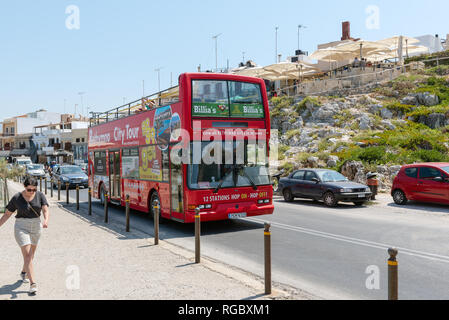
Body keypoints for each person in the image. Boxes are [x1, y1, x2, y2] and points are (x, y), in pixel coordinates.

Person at [0, 177, 50, 295]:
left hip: (36, 226)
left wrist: (46, 220)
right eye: (29, 189)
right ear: (24, 186)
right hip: (21, 227)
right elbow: (7, 214)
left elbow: (45, 210)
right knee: (27, 255)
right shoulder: (17, 198)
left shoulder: (40, 195)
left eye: (34, 189)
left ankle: (24, 272)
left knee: (31, 256)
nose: (32, 192)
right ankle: (33, 284)